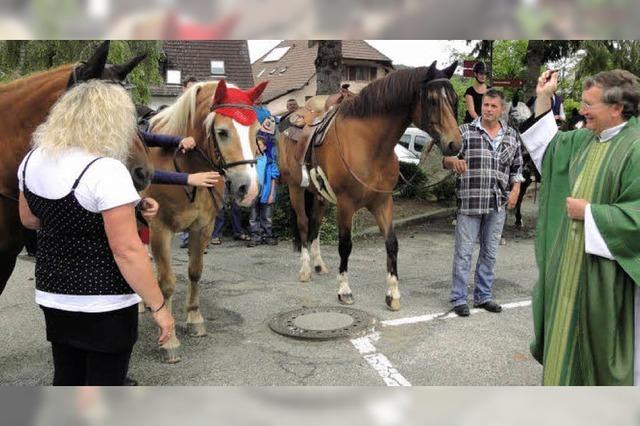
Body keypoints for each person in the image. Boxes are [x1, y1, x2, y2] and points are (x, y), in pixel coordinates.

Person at [17, 80, 174, 386]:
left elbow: (30, 220)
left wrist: (132, 208)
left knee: (67, 376)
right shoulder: (105, 170)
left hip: (53, 293)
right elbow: (127, 251)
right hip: (104, 301)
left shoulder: (31, 160)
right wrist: (159, 306)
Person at [521, 69, 640, 385]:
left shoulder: (636, 147)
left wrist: (592, 214)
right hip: (569, 275)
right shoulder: (586, 139)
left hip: (607, 282)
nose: (582, 111)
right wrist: (544, 96)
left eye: (589, 105)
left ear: (617, 108)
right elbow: (549, 147)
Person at [443, 88, 524, 317]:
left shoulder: (511, 135)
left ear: (502, 109)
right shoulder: (465, 132)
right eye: (485, 105)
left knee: (490, 252)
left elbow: (517, 168)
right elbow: (446, 159)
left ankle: (483, 296)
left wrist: (516, 189)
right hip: (470, 202)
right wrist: (452, 162)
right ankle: (459, 298)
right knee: (463, 253)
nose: (488, 109)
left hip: (497, 204)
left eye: (493, 106)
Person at [248, 108, 280, 247]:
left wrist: (272, 193)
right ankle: (256, 236)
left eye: (259, 145)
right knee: (253, 216)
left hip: (267, 192)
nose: (256, 147)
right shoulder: (250, 161)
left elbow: (274, 178)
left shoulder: (269, 161)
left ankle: (268, 235)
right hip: (254, 192)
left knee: (266, 216)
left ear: (265, 147)